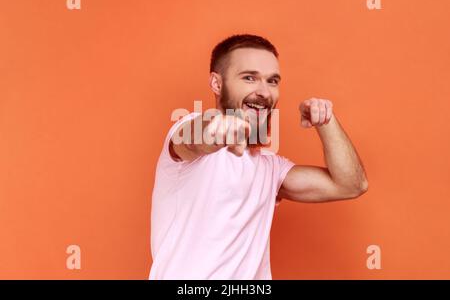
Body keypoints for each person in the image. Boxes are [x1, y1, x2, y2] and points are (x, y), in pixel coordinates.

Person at [149, 34, 368, 279]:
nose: (264, 92)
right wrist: (216, 129)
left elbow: (351, 185)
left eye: (272, 81)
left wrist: (326, 121)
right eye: (249, 78)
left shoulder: (270, 168)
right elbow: (193, 138)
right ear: (216, 84)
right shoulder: (187, 133)